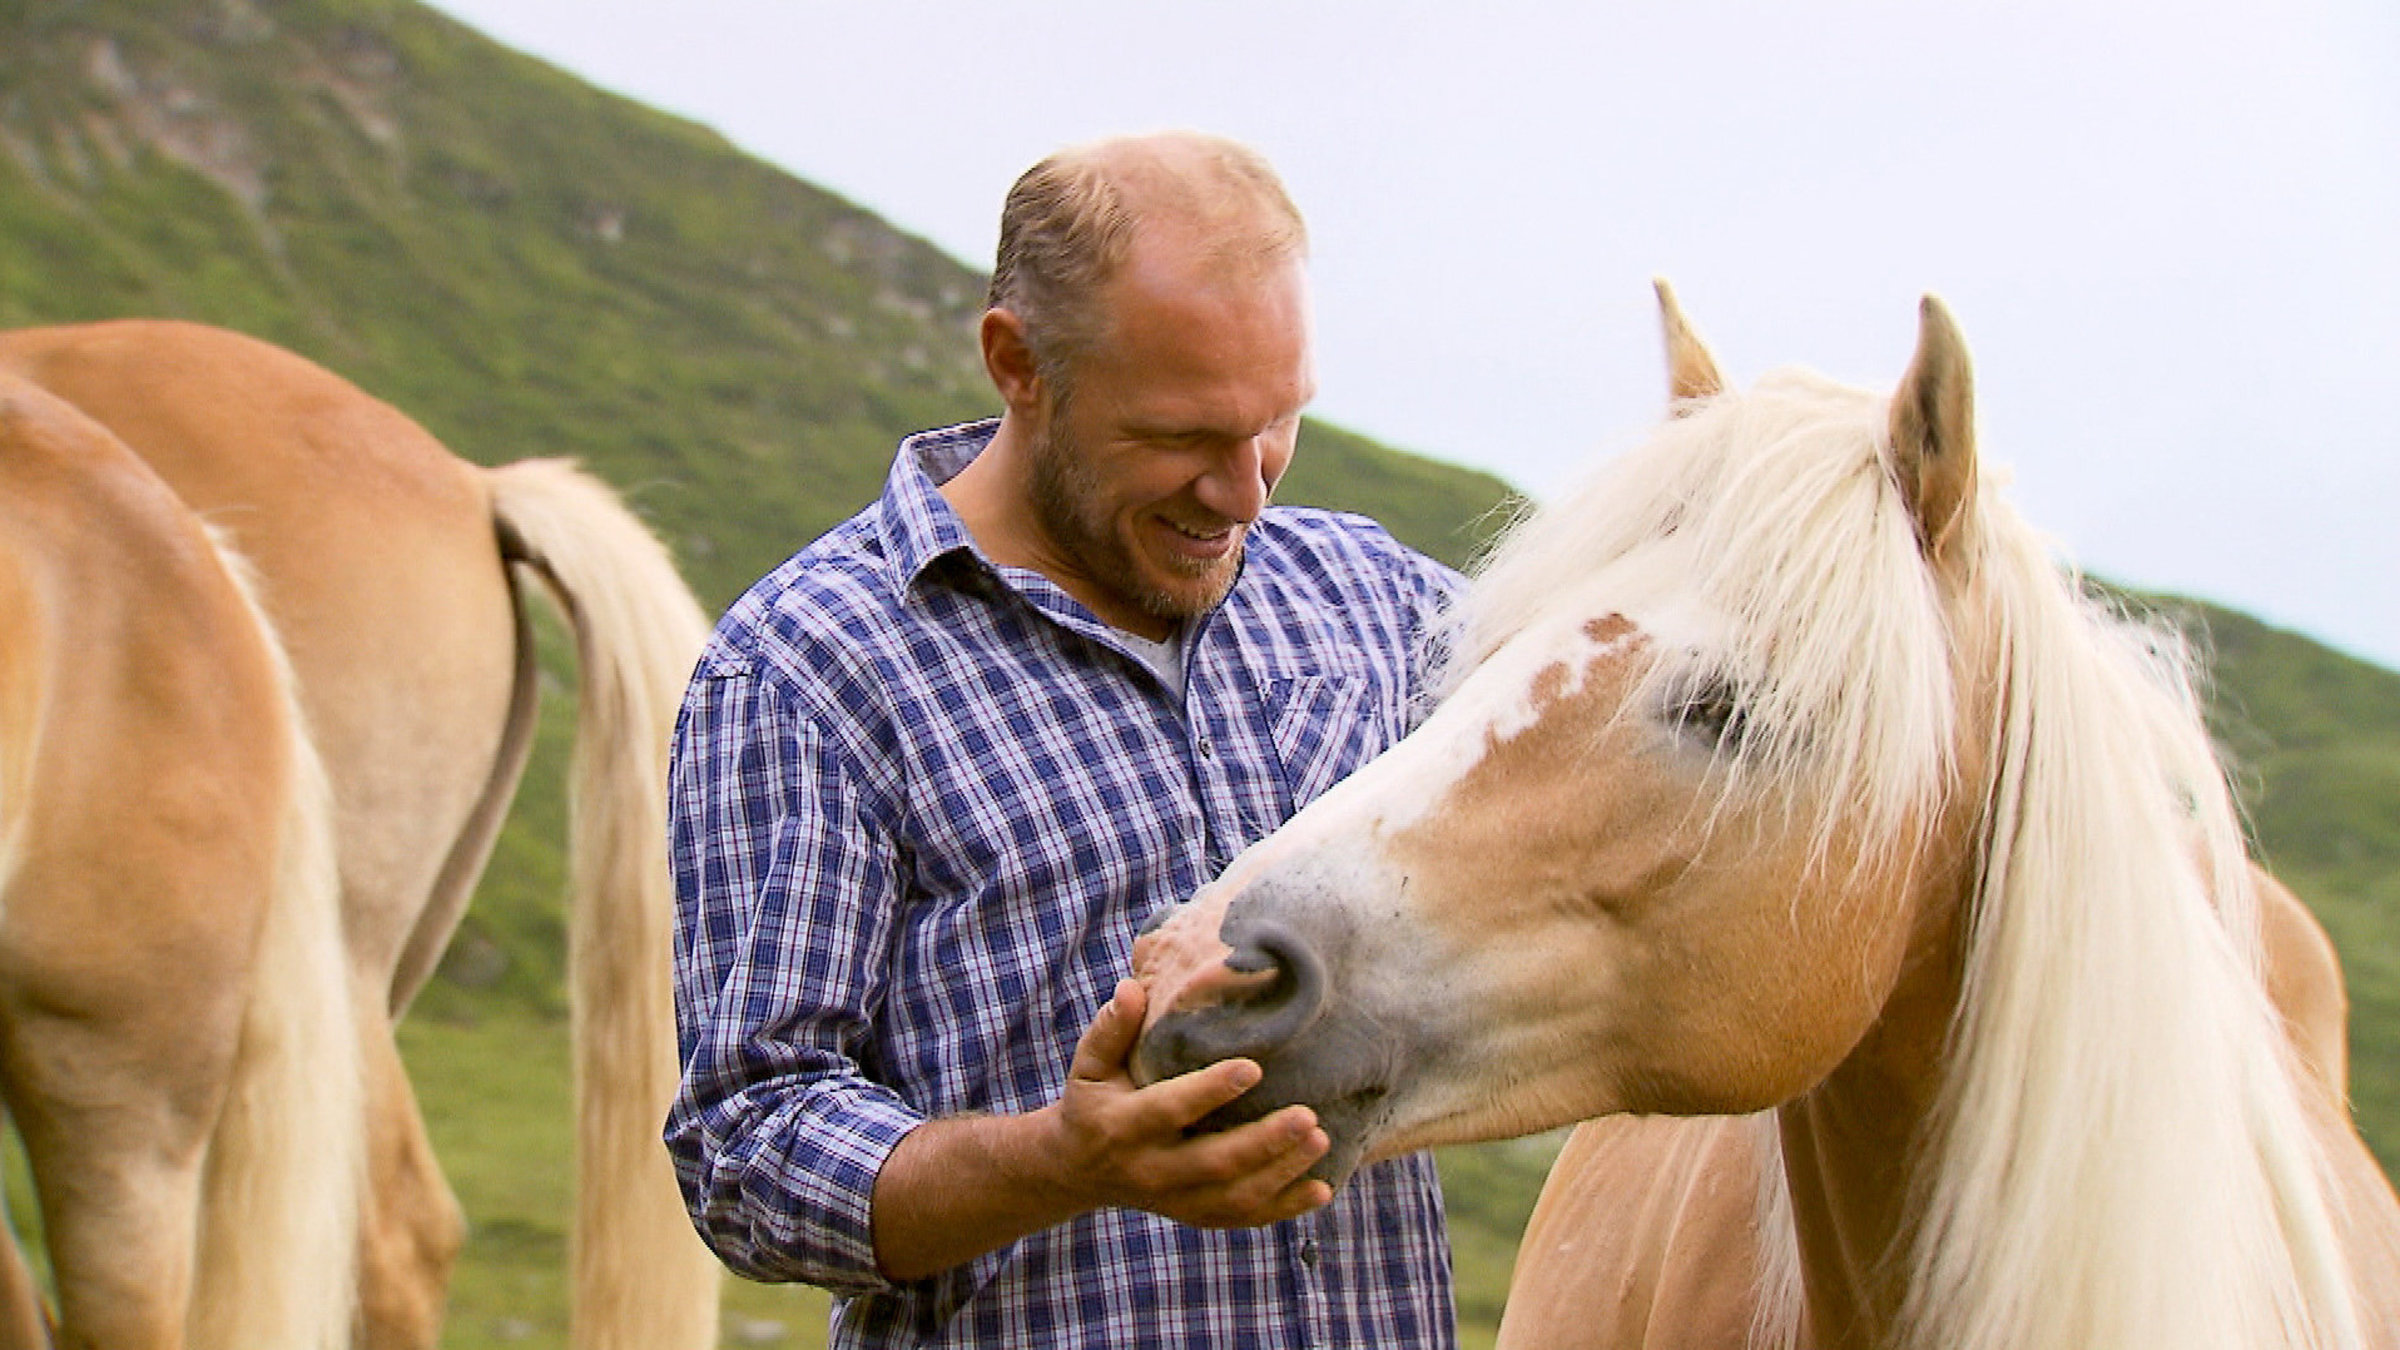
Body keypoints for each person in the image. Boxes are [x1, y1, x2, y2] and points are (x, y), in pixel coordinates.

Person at [667, 129, 1461, 1347]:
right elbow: (750, 1151)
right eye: (1183, 436)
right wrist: (1064, 1160)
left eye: (1277, 424)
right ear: (1017, 363)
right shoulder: (806, 666)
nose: (1246, 492)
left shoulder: (1372, 599)